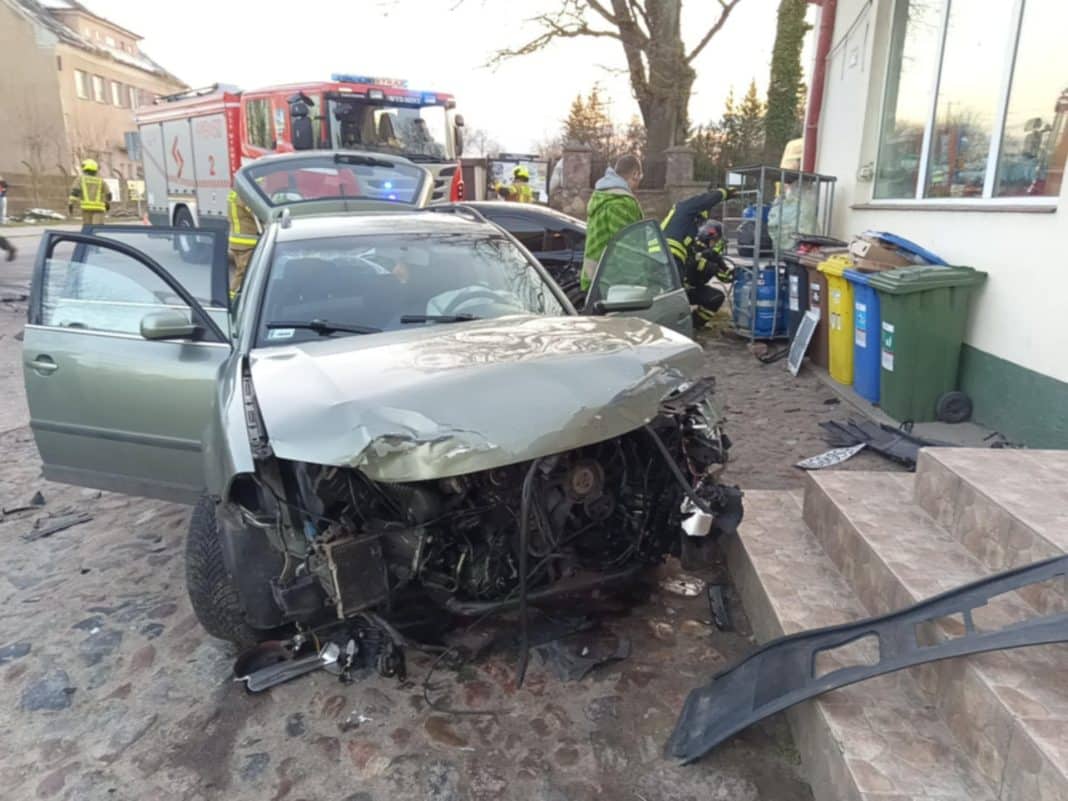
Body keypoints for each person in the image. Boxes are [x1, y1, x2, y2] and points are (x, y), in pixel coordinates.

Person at [661, 186, 737, 328]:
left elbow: (724, 276)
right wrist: (723, 193)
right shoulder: (684, 209)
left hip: (681, 280)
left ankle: (691, 326)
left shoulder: (689, 238)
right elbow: (692, 264)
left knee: (714, 297)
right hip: (667, 265)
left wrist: (731, 272)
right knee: (670, 302)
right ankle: (672, 329)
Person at [581, 154, 643, 290]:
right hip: (611, 284)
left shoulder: (602, 195)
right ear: (635, 174)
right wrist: (641, 280)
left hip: (593, 278)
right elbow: (625, 249)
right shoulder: (620, 202)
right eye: (640, 177)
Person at [228, 188, 261, 295]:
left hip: (236, 241)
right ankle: (232, 299)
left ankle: (234, 296)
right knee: (243, 273)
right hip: (246, 243)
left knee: (241, 272)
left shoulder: (233, 194)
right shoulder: (244, 197)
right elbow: (258, 214)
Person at [68, 159, 111, 225]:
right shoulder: (101, 180)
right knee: (97, 229)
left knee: (88, 228)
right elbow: (108, 194)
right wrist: (107, 203)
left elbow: (74, 193)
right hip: (99, 209)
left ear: (84, 169)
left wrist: (71, 204)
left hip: (86, 209)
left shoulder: (80, 179)